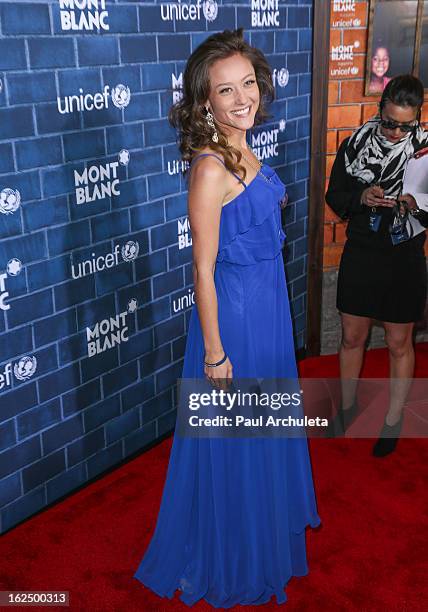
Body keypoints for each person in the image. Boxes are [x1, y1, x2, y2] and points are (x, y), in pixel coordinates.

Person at [133, 28, 321, 607]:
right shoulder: (210, 167)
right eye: (225, 90)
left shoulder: (246, 142)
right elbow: (203, 271)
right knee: (236, 442)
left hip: (267, 309)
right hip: (234, 319)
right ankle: (235, 555)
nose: (243, 99)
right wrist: (215, 353)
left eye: (247, 84)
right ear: (204, 101)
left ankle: (263, 533)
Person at [326, 74, 428, 457]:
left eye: (406, 125)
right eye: (389, 122)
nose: (396, 132)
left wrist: (416, 204)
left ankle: (393, 418)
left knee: (400, 342)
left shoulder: (425, 150)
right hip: (363, 250)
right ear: (380, 108)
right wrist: (361, 196)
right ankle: (348, 406)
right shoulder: (355, 145)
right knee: (352, 336)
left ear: (417, 117)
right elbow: (334, 195)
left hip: (405, 256)